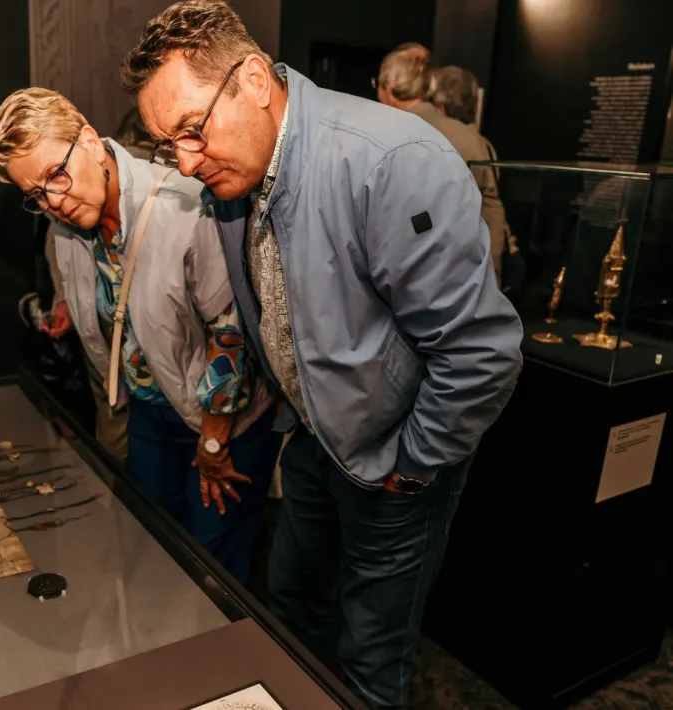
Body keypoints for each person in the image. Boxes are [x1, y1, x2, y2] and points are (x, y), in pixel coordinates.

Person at [121, 3, 523, 708]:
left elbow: (482, 351)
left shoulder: (389, 162)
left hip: (395, 463)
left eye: (192, 129)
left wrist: (413, 466)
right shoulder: (232, 175)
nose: (185, 161)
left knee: (372, 656)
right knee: (291, 616)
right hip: (311, 442)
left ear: (252, 79)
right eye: (167, 144)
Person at [0, 88, 281, 585]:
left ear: (88, 139)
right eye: (35, 195)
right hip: (149, 406)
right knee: (155, 553)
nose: (53, 201)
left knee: (213, 571)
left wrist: (212, 444)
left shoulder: (185, 207)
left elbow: (231, 334)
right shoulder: (63, 232)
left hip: (222, 419)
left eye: (56, 175)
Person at [41, 107, 155, 464]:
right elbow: (63, 255)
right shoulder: (78, 198)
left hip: (130, 356)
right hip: (114, 350)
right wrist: (65, 301)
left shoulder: (161, 192)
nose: (55, 202)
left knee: (119, 449)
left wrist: (63, 303)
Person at [376, 45, 508, 284]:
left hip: (405, 284)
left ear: (389, 88)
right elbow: (491, 211)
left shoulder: (381, 136)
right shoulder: (470, 139)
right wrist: (491, 280)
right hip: (465, 279)